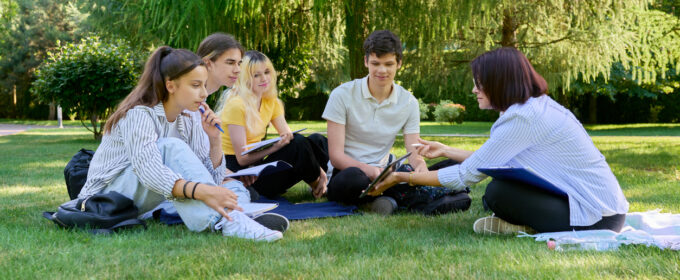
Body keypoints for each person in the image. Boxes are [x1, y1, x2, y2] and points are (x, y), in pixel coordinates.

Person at [371, 47, 629, 233]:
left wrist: (401, 177)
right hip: (599, 209)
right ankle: (524, 225)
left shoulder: (523, 118)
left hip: (596, 218)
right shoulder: (531, 108)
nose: (474, 90)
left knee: (498, 193)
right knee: (500, 184)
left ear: (500, 83)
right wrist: (444, 149)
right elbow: (490, 161)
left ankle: (525, 227)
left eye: (479, 83)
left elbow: (465, 176)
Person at [78, 46, 283, 241]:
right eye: (195, 85)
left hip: (153, 198)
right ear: (171, 85)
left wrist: (214, 140)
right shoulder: (139, 115)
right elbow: (150, 173)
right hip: (105, 200)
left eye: (204, 85)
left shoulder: (189, 117)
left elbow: (210, 178)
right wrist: (203, 191)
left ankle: (239, 216)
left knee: (233, 186)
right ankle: (227, 221)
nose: (204, 93)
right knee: (171, 147)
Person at [322, 30, 469, 215]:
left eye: (388, 64)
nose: (382, 70)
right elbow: (336, 156)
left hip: (386, 173)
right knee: (355, 179)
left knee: (451, 164)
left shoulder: (408, 102)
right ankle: (402, 198)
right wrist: (372, 171)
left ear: (399, 63)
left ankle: (384, 199)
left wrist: (421, 169)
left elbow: (413, 153)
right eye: (375, 63)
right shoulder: (342, 95)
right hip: (347, 174)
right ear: (366, 62)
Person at [218, 50, 329, 199]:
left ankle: (324, 181)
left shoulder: (271, 101)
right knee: (299, 143)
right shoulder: (236, 105)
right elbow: (242, 159)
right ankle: (319, 187)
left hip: (259, 167)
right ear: (245, 78)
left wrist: (317, 168)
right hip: (243, 176)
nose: (264, 78)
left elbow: (288, 137)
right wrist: (275, 147)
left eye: (266, 72)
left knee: (317, 140)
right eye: (256, 75)